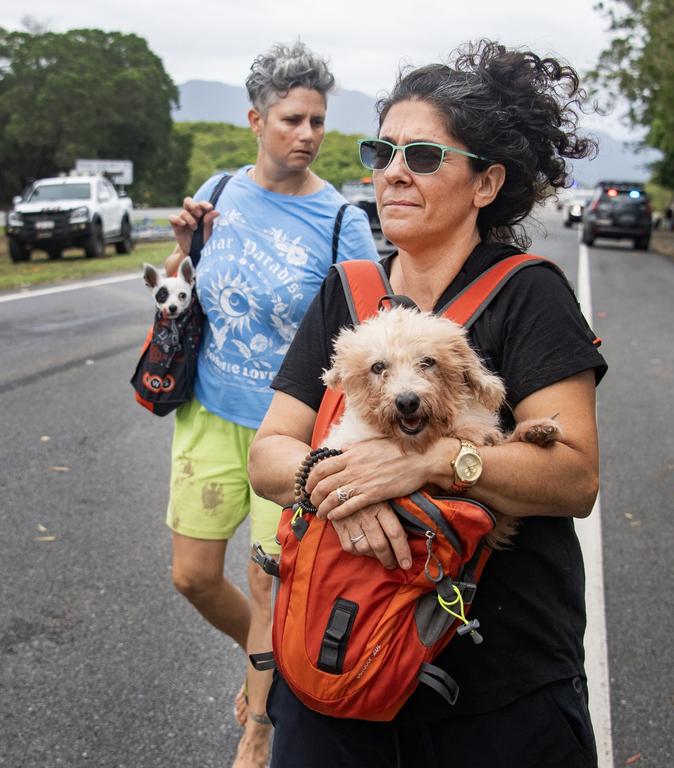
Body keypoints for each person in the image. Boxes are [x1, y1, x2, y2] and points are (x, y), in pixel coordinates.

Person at [248, 40, 607, 767]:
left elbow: (574, 478)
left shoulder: (530, 293)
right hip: (340, 665)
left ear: (485, 183)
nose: (394, 174)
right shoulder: (347, 292)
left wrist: (432, 464)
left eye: (424, 156)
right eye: (382, 153)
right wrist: (347, 484)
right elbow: (269, 452)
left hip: (495, 689)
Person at [162, 41, 377, 768]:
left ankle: (260, 726)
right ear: (256, 120)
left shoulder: (343, 223)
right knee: (191, 575)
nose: (308, 134)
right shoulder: (219, 191)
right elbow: (186, 286)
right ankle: (271, 661)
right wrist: (183, 252)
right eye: (292, 119)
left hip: (286, 430)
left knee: (265, 578)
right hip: (207, 412)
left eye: (318, 119)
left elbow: (368, 327)